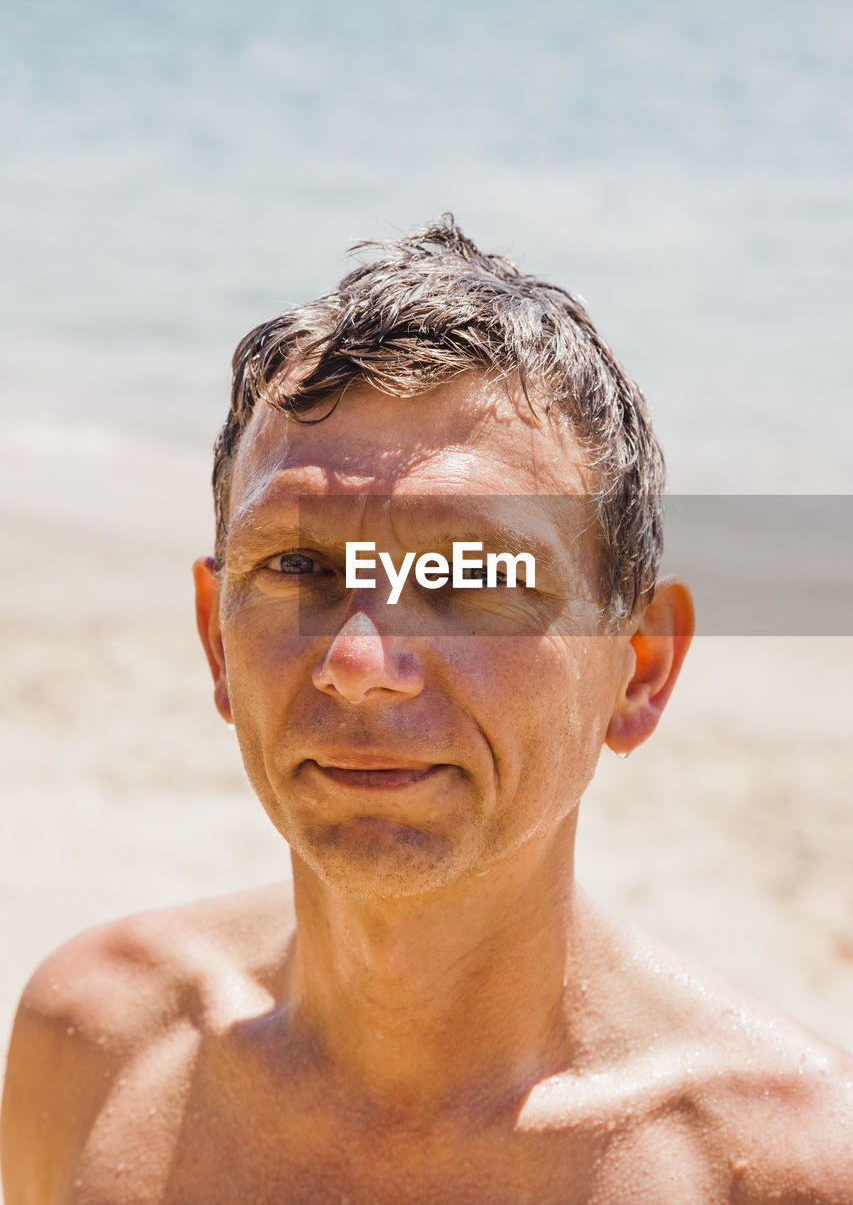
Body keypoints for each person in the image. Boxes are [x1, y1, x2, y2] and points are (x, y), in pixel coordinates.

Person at [2, 216, 851, 1204]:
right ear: (214, 637)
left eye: (473, 572)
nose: (362, 662)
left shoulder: (782, 1166)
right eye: (300, 566)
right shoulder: (97, 1043)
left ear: (639, 667)